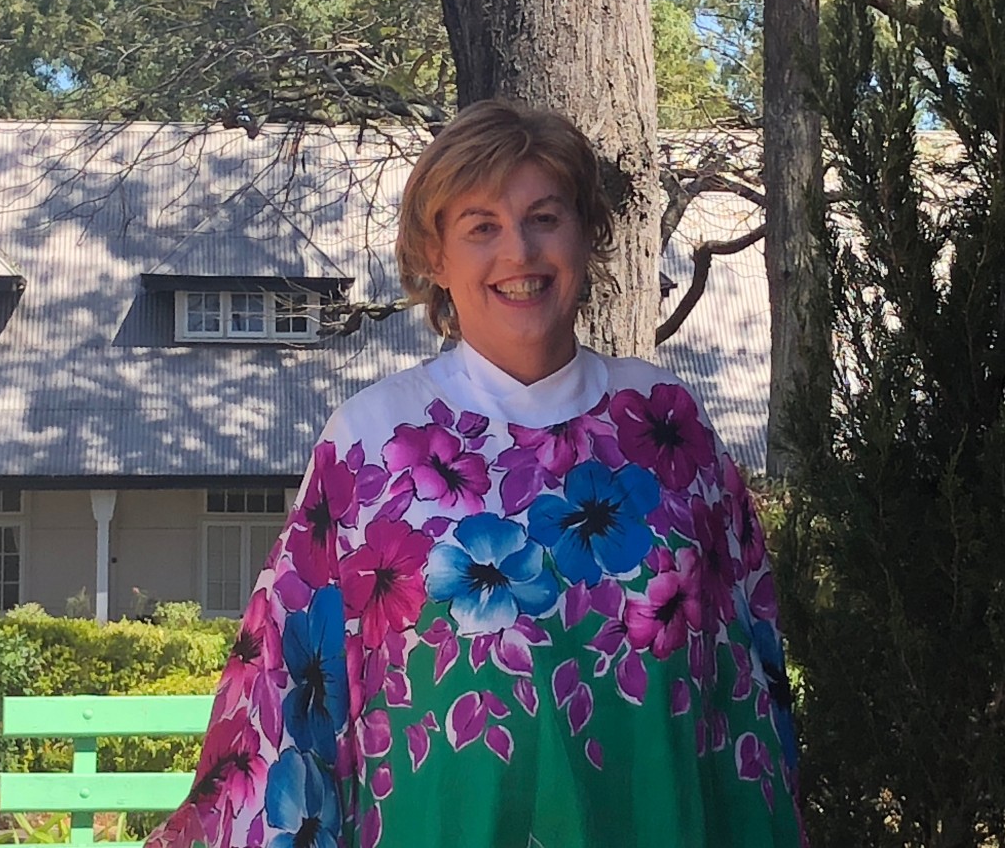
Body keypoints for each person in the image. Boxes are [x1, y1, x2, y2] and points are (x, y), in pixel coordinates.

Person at [145, 100, 805, 848]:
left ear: (587, 236)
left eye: (545, 217)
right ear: (435, 256)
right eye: (481, 226)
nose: (518, 252)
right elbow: (284, 691)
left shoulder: (667, 424)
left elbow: (748, 683)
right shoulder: (371, 443)